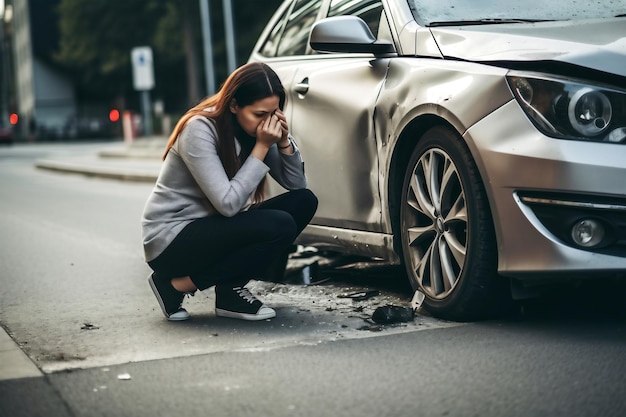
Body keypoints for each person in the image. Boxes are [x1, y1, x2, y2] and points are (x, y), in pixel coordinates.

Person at [141, 62, 318, 321]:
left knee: (303, 202)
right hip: (172, 240)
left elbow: (296, 184)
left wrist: (282, 142)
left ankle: (229, 293)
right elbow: (227, 204)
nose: (267, 121)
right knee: (278, 224)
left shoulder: (257, 130)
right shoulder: (199, 129)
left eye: (275, 112)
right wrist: (262, 146)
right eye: (259, 114)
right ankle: (176, 285)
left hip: (214, 228)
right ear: (234, 105)